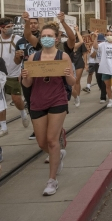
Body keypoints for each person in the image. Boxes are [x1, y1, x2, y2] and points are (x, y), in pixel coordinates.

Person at [20, 21, 75, 196]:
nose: (46, 39)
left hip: (57, 101)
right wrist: (25, 76)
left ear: (57, 38)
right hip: (37, 102)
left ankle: (52, 180)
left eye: (50, 36)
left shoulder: (63, 57)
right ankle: (57, 155)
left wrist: (68, 75)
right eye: (43, 36)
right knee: (42, 142)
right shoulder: (33, 58)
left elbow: (72, 82)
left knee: (52, 140)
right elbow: (27, 84)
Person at [0, 18, 29, 133]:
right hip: (1, 75)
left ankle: (23, 113)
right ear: (1, 28)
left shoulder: (18, 40)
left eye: (12, 26)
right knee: (1, 101)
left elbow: (24, 58)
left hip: (14, 73)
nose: (11, 28)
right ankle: (3, 127)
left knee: (16, 99)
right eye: (8, 27)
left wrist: (22, 69)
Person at [63, 25, 87, 107]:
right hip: (64, 65)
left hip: (75, 63)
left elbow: (81, 42)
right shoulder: (61, 44)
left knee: (76, 81)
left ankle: (77, 96)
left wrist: (77, 31)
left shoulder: (72, 45)